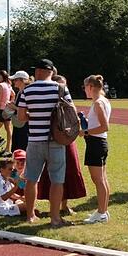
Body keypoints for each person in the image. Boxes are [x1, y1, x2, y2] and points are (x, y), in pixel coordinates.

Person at [17, 59, 70, 226]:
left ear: (39, 71)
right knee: (57, 180)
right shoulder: (61, 88)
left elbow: (21, 117)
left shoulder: (27, 90)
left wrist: (34, 116)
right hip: (56, 140)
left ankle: (30, 215)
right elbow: (71, 112)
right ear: (51, 72)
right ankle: (55, 218)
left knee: (31, 179)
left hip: (34, 140)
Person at [39, 74, 86, 216]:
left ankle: (64, 205)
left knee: (70, 170)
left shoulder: (67, 99)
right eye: (60, 84)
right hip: (51, 139)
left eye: (64, 84)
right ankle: (53, 207)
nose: (62, 87)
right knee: (51, 174)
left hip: (67, 139)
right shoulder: (47, 100)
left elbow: (74, 118)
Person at [81, 75, 111, 224]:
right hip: (99, 143)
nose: (84, 90)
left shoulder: (98, 103)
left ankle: (101, 213)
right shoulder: (102, 101)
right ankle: (103, 210)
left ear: (91, 87)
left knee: (98, 180)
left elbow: (104, 127)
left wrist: (85, 132)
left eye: (85, 87)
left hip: (96, 143)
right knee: (102, 179)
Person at [9, 70, 30, 152]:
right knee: (17, 146)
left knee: (22, 146)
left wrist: (14, 107)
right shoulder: (19, 92)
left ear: (22, 80)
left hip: (24, 124)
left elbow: (28, 110)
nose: (13, 82)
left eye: (15, 80)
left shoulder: (26, 92)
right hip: (18, 123)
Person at [0, 71, 14, 154]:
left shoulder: (0, 85)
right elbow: (13, 94)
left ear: (1, 76)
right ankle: (8, 149)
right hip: (7, 109)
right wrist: (10, 102)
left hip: (1, 109)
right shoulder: (8, 85)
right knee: (8, 129)